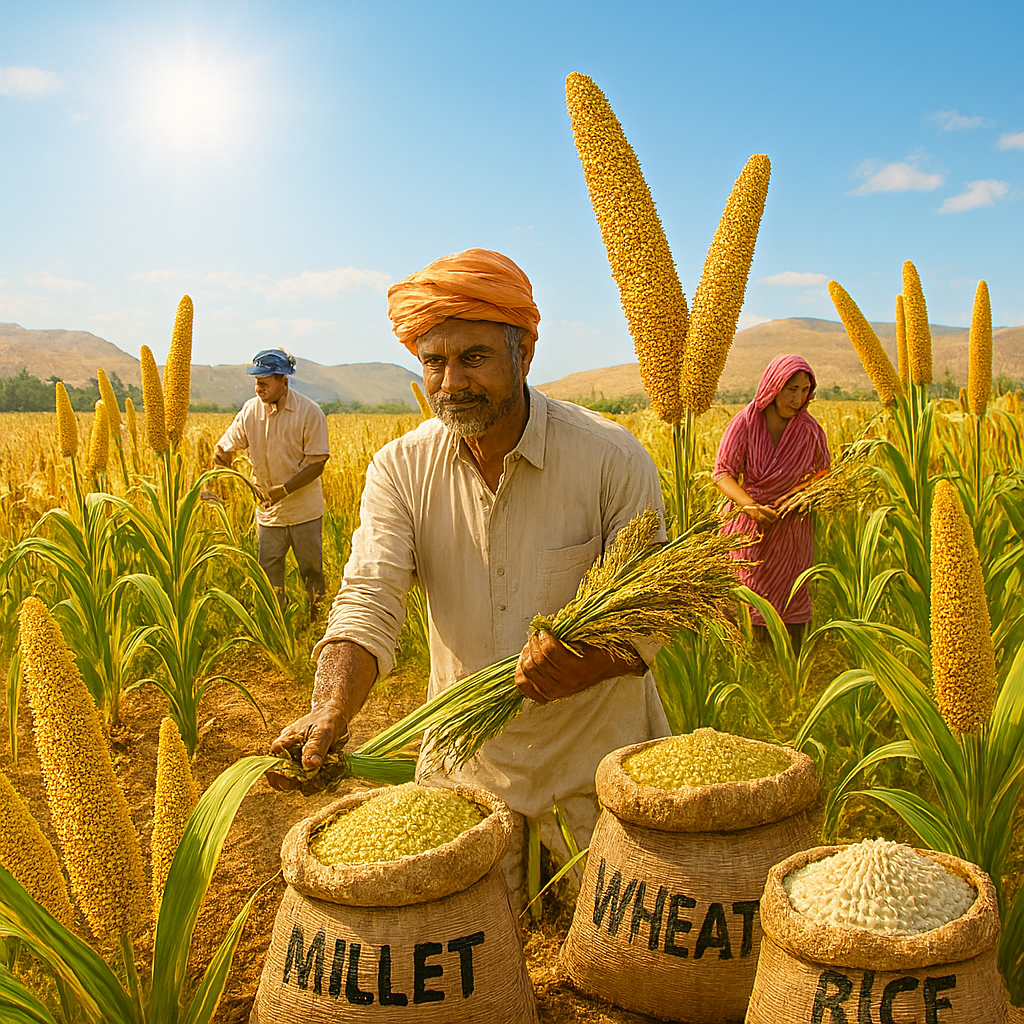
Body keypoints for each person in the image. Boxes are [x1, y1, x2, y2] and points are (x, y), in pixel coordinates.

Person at [269, 248, 669, 900]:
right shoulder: (400, 469)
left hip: (594, 763)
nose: (451, 381)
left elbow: (651, 612)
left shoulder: (610, 457)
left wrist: (590, 660)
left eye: (474, 357)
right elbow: (370, 593)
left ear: (525, 354)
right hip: (467, 768)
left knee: (612, 966)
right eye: (434, 361)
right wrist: (330, 710)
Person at [713, 353, 830, 650]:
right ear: (774, 386)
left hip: (791, 530)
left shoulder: (810, 429)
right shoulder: (745, 423)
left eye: (804, 390)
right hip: (750, 528)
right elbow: (723, 473)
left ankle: (791, 674)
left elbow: (823, 472)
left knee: (791, 597)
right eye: (791, 389)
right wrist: (749, 506)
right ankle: (751, 669)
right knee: (750, 601)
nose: (798, 398)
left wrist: (800, 495)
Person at [211, 348, 330, 612]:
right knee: (269, 576)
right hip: (268, 514)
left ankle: (317, 624)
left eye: (263, 383)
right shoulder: (250, 410)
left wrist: (284, 490)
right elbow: (226, 448)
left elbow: (317, 462)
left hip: (304, 513)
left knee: (311, 574)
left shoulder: (309, 412)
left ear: (283, 381)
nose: (257, 388)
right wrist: (220, 466)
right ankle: (277, 627)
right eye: (256, 382)